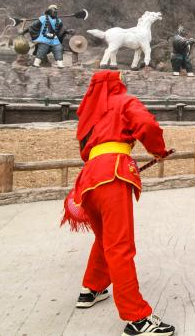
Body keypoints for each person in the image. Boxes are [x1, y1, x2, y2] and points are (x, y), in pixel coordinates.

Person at [61, 70, 175, 336]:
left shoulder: (88, 113)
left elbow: (86, 149)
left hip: (88, 179)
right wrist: (158, 151)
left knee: (105, 239)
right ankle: (137, 318)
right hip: (112, 175)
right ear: (116, 84)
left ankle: (91, 288)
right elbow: (147, 125)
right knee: (120, 246)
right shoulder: (124, 101)